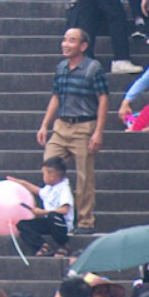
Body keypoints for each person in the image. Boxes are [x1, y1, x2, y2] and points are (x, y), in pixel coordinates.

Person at [39, 28, 111, 229]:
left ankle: (86, 221)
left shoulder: (93, 68)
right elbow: (56, 96)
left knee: (84, 176)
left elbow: (103, 98)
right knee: (49, 165)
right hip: (62, 125)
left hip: (84, 125)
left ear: (83, 46)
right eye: (64, 40)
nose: (65, 44)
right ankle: (55, 213)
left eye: (71, 41)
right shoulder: (61, 67)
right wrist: (45, 124)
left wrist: (98, 131)